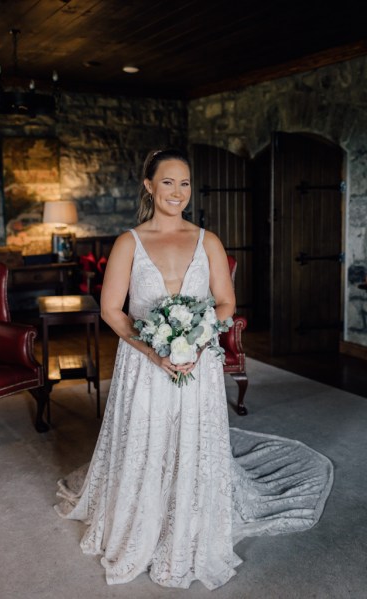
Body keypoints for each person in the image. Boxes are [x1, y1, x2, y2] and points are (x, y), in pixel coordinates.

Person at [55, 148, 333, 590]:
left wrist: (198, 343)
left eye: (184, 183)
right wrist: (152, 350)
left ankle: (192, 514)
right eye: (168, 182)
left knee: (192, 439)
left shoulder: (209, 240)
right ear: (149, 186)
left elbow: (226, 303)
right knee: (147, 438)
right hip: (144, 366)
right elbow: (111, 310)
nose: (177, 192)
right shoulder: (129, 242)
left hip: (197, 362)